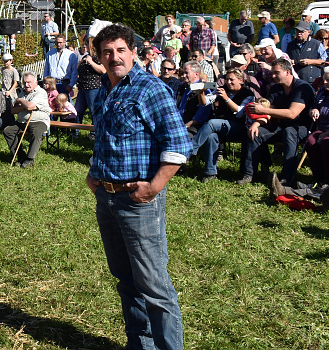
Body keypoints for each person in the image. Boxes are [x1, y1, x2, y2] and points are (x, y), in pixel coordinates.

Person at [85, 22, 190, 350]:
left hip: (137, 201)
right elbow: (106, 137)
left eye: (120, 51)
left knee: (154, 286)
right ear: (99, 57)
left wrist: (155, 187)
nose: (114, 57)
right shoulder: (105, 88)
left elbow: (178, 143)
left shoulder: (150, 88)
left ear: (133, 53)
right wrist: (93, 172)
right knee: (125, 280)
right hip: (107, 197)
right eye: (107, 52)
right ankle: (140, 345)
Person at [240, 57, 315, 186]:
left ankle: (286, 178)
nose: (273, 76)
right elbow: (269, 111)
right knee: (256, 133)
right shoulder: (276, 88)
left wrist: (264, 110)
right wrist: (256, 124)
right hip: (280, 125)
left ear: (287, 72)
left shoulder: (303, 87)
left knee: (289, 132)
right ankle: (249, 174)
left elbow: (292, 114)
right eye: (272, 72)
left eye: (276, 73)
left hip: (301, 127)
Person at [189, 69, 255, 181]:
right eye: (227, 79)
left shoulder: (248, 94)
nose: (228, 82)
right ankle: (210, 173)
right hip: (223, 127)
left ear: (241, 80)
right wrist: (201, 92)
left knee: (212, 123)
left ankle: (190, 150)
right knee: (212, 136)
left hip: (241, 128)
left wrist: (226, 99)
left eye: (232, 80)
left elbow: (240, 113)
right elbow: (204, 102)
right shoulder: (223, 90)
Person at [7, 72, 51, 168]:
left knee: (36, 132)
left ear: (35, 82)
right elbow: (13, 110)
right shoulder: (22, 93)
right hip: (22, 121)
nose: (27, 85)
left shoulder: (40, 92)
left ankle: (30, 159)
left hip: (38, 121)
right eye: (25, 82)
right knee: (8, 131)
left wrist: (19, 101)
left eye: (29, 82)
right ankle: (21, 156)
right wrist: (25, 106)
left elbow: (30, 106)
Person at [75, 43, 105, 123]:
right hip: (82, 87)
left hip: (93, 87)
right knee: (78, 110)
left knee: (93, 110)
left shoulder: (98, 57)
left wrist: (91, 62)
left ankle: (94, 132)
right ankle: (75, 131)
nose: (85, 47)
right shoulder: (86, 56)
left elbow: (103, 70)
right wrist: (81, 62)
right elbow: (77, 69)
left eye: (87, 45)